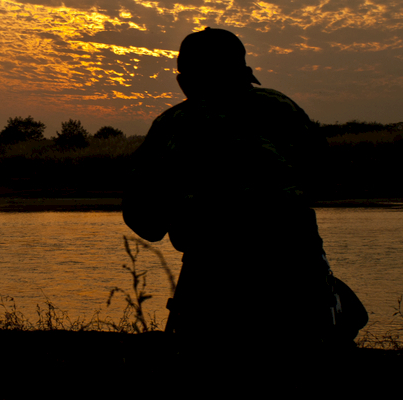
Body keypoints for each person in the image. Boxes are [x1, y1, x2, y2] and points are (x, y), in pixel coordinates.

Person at [123, 27, 330, 350]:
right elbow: (320, 178)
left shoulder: (173, 125)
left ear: (185, 81)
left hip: (212, 286)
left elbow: (145, 221)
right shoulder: (280, 108)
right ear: (245, 74)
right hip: (297, 277)